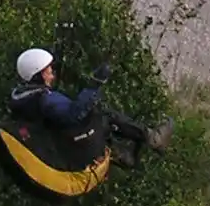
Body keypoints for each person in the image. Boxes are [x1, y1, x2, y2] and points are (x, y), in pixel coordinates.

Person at [11, 48, 172, 167]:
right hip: (75, 147)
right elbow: (76, 114)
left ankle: (120, 154)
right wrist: (95, 83)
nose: (52, 74)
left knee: (93, 120)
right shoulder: (45, 100)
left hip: (63, 147)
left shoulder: (24, 98)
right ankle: (151, 138)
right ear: (39, 74)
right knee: (101, 115)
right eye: (49, 71)